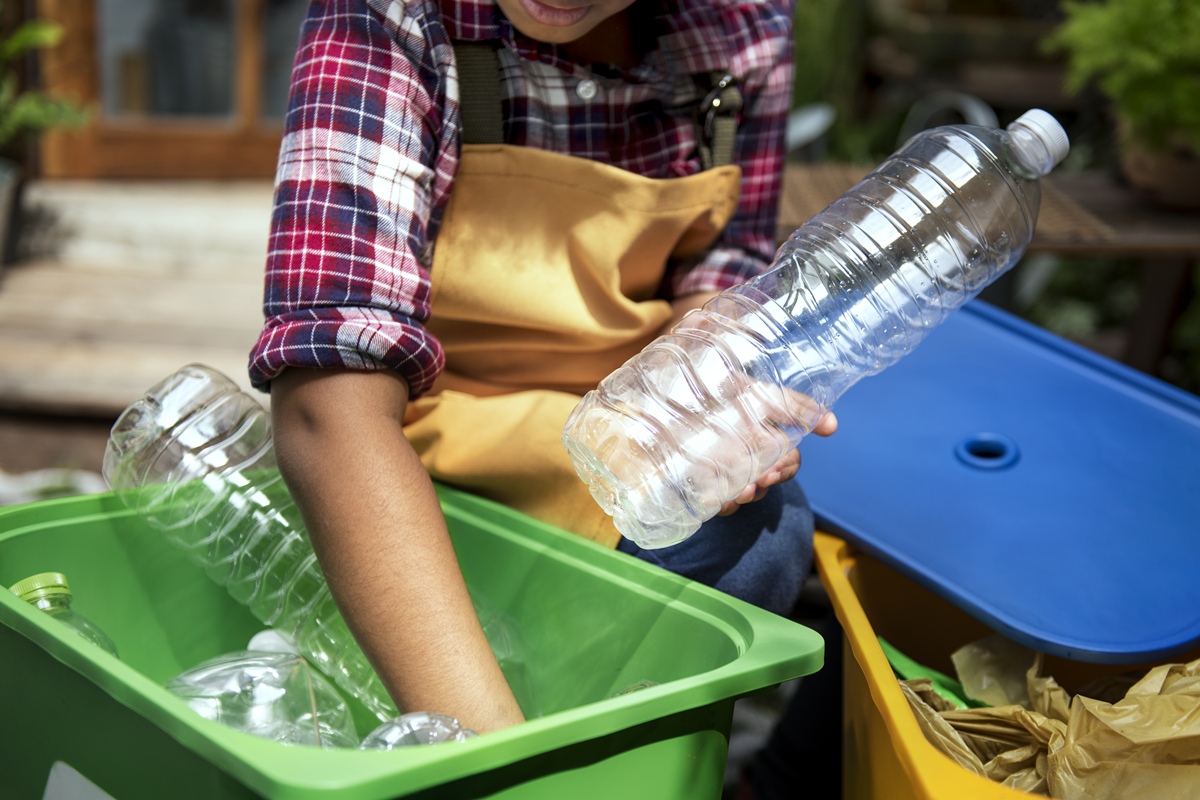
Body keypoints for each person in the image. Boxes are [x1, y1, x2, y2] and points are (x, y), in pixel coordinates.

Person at [248, 0, 836, 736]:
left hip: (612, 436)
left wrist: (706, 395)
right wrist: (489, 755)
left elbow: (717, 270)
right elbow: (325, 411)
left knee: (764, 535)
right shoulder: (392, 16)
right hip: (414, 443)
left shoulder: (742, 27)